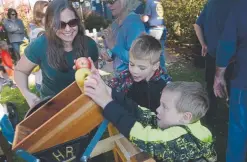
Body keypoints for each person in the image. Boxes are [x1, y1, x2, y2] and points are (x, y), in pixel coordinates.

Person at [84, 65, 217, 161]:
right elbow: (141, 113)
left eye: (165, 107)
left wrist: (107, 103)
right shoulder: (185, 123)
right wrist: (107, 90)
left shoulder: (181, 139)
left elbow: (143, 136)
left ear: (186, 116)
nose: (158, 109)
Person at [14, 0, 99, 109]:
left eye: (72, 22)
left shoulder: (90, 45)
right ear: (51, 25)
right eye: (60, 24)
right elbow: (20, 70)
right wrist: (27, 93)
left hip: (85, 106)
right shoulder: (40, 45)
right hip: (52, 110)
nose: (68, 29)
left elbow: (95, 76)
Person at [213, 0, 247, 161]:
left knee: (238, 130)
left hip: (243, 83)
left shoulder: (241, 6)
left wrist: (219, 76)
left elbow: (227, 43)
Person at [108, 35, 171, 112]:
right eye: (131, 64)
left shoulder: (165, 87)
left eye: (142, 68)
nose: (134, 71)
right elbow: (109, 90)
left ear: (155, 66)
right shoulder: (124, 78)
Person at [193, 0, 233, 121]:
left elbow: (197, 25)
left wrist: (203, 44)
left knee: (211, 86)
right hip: (232, 55)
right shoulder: (238, 5)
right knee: (233, 86)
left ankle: (210, 116)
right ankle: (232, 113)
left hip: (213, 53)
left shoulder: (210, 3)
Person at [101, 0, 146, 75]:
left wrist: (113, 47)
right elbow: (116, 53)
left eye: (111, 1)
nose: (108, 5)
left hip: (133, 80)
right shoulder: (115, 24)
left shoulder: (134, 23)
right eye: (106, 2)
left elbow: (137, 59)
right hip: (120, 78)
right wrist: (108, 54)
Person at [28, 0, 49, 93]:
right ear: (39, 15)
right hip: (45, 81)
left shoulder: (36, 30)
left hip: (42, 79)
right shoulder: (40, 33)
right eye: (46, 14)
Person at [141, 0, 166, 71]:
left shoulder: (149, 2)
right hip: (162, 29)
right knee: (160, 53)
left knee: (150, 53)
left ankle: (151, 73)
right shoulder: (158, 2)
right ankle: (163, 73)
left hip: (154, 30)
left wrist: (140, 17)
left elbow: (145, 19)